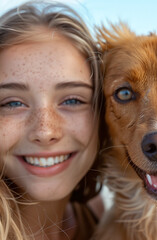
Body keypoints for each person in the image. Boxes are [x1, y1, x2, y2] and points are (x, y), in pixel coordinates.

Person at [0, 1, 105, 239]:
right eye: (12, 103)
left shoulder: (94, 213)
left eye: (71, 101)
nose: (45, 131)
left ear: (101, 113)